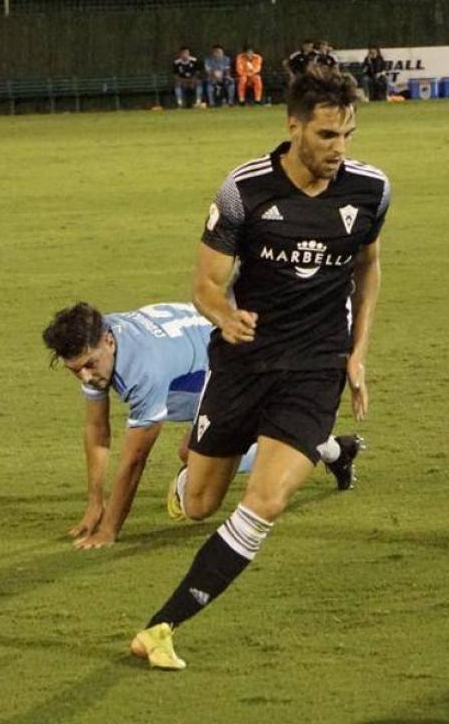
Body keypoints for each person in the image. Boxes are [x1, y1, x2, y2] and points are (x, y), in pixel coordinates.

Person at [128, 64, 390, 670]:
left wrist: (357, 351)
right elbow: (205, 284)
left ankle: (162, 625)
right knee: (200, 505)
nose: (340, 149)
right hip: (244, 363)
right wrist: (224, 316)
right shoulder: (242, 191)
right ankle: (320, 454)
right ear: (293, 126)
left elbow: (369, 266)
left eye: (348, 134)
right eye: (327, 135)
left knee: (265, 501)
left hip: (316, 366)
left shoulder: (370, 190)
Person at [43, 301, 363, 551]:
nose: (85, 376)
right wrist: (94, 504)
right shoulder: (97, 336)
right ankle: (332, 448)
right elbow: (98, 431)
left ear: (109, 341)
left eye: (89, 365)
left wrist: (109, 530)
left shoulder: (143, 369)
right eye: (76, 370)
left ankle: (312, 443)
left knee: (195, 457)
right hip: (209, 352)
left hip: (239, 361)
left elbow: (134, 459)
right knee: (195, 452)